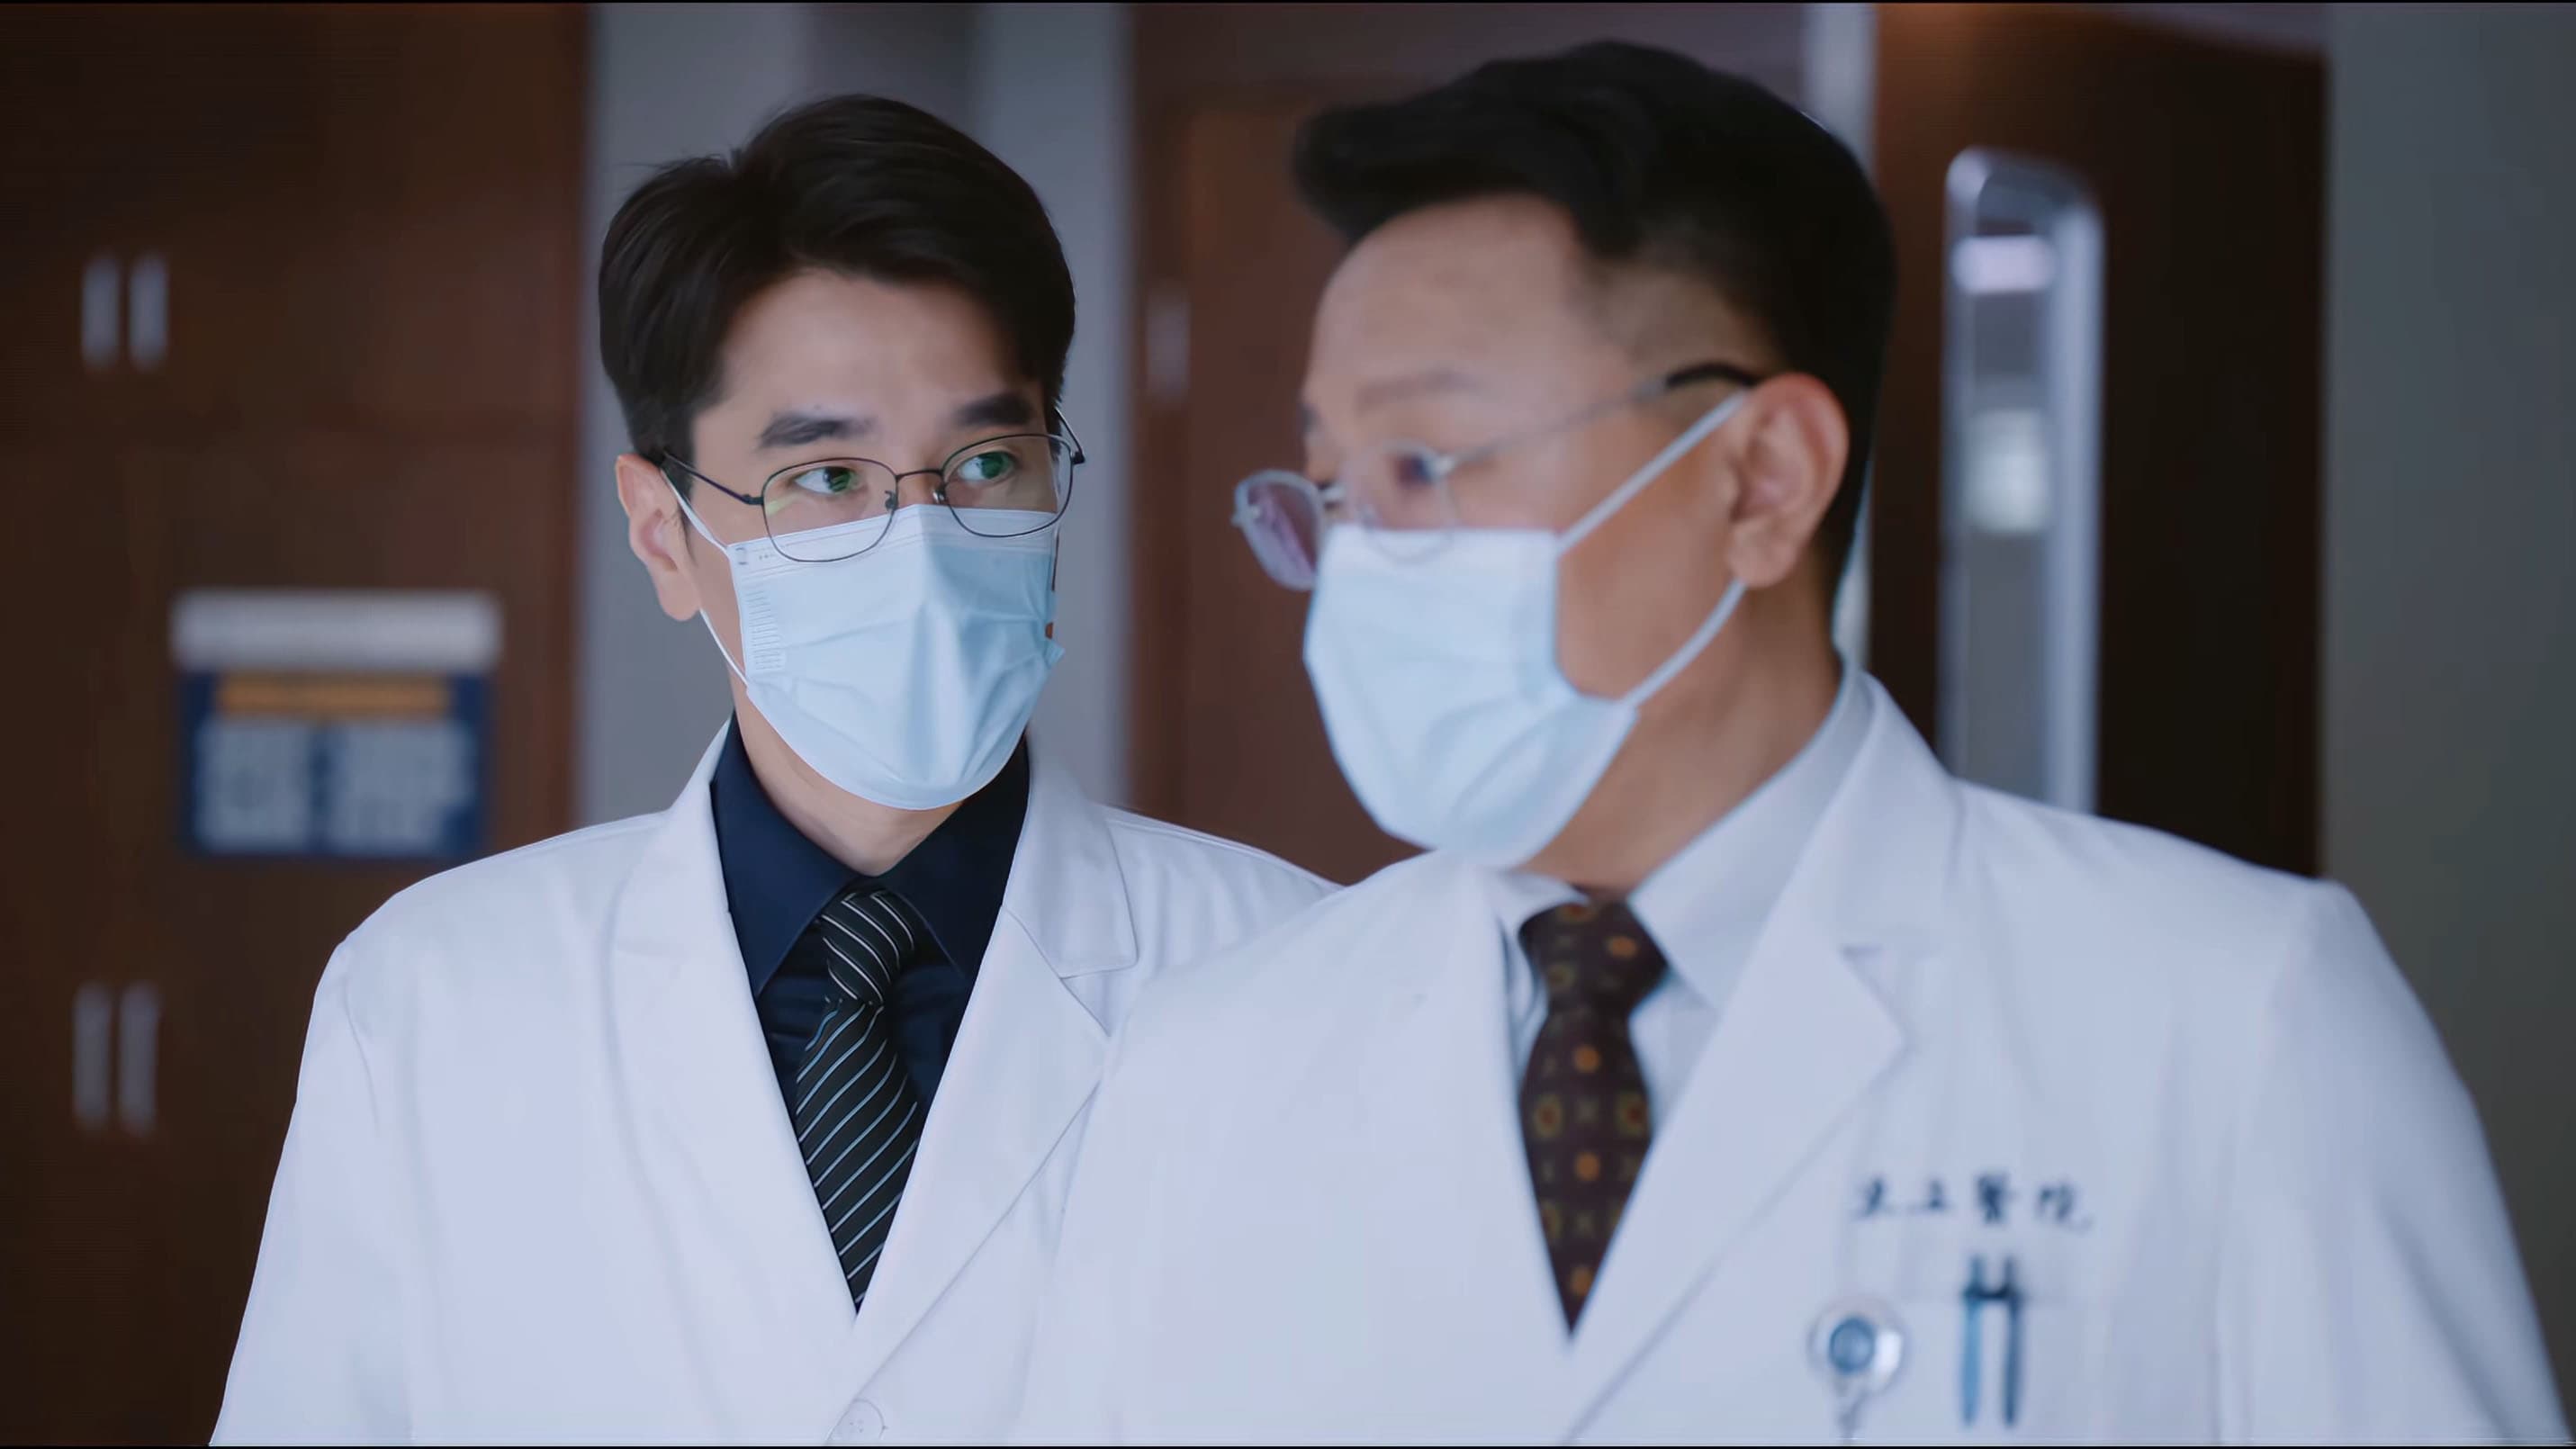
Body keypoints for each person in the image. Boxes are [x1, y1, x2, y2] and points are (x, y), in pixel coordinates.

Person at [1013, 42, 2567, 1444]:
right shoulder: (1207, 1064)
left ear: (1760, 478)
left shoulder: (2234, 1019)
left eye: (1423, 463)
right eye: (1332, 492)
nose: (1361, 564)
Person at [212, 94, 1330, 1444]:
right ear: (664, 535)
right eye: (827, 479)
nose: (923, 541)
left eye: (988, 461)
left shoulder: (1303, 978)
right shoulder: (429, 1000)